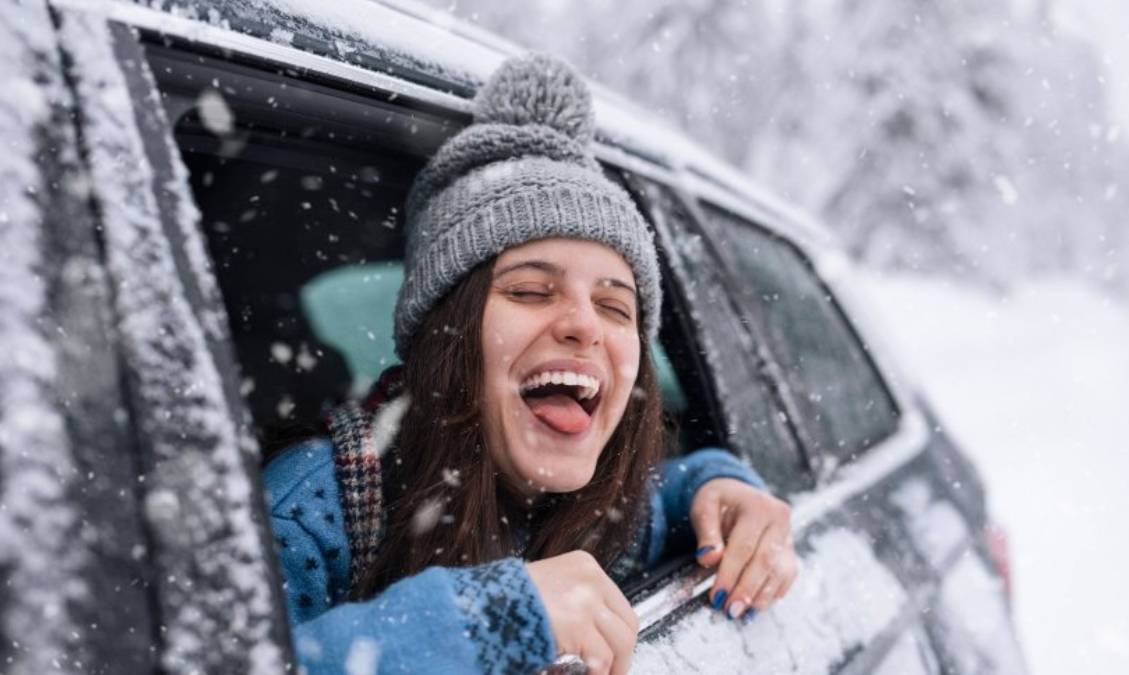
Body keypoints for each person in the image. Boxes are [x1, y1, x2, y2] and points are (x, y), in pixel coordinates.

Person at [263, 54, 797, 675]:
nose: (583, 324)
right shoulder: (315, 508)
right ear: (447, 336)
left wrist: (720, 486)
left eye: (614, 307)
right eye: (530, 292)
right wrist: (485, 621)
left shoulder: (598, 505)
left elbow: (662, 496)